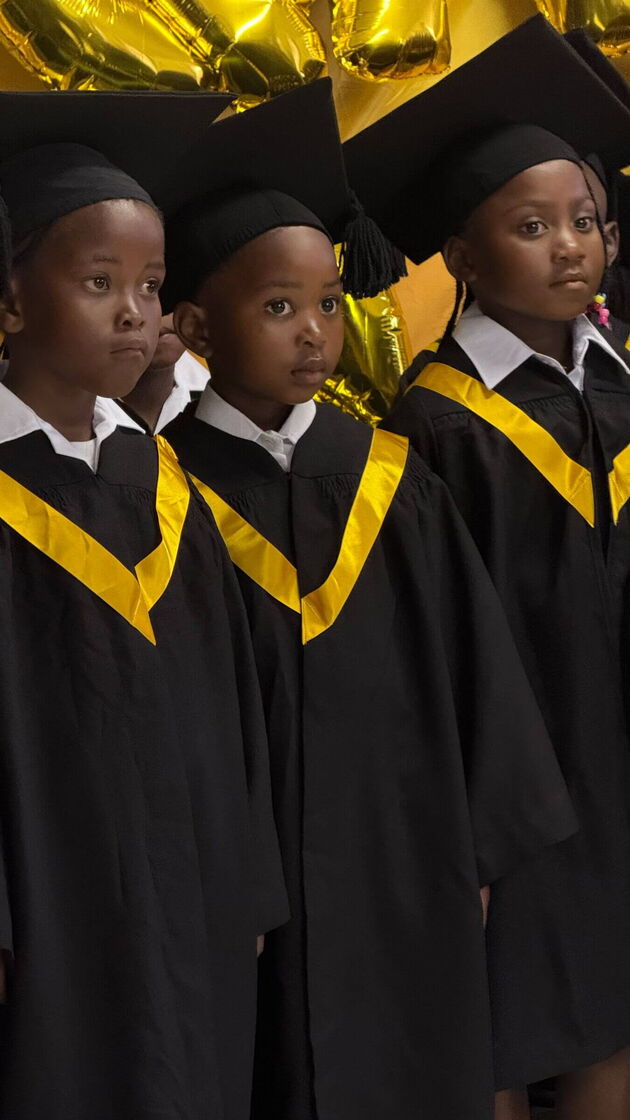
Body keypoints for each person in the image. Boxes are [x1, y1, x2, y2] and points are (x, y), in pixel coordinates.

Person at [160, 78, 577, 1120]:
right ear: (199, 328)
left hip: (408, 856)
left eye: (328, 305)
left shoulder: (388, 475)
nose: (314, 333)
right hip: (251, 888)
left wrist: (480, 844)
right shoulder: (166, 491)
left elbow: (476, 667)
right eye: (278, 309)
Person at [345, 16, 630, 1119]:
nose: (571, 246)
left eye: (586, 222)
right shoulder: (437, 419)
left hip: (614, 760)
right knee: (502, 1011)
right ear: (461, 253)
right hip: (506, 779)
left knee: (611, 995)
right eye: (531, 225)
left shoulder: (616, 389)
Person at [0, 92, 287, 1120]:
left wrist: (249, 876)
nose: (135, 311)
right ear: (11, 301)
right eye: (99, 282)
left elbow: (233, 704)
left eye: (152, 286)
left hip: (194, 888)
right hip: (50, 911)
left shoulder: (158, 482)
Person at [103, 311, 209, 434]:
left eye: (174, 292)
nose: (163, 308)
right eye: (151, 291)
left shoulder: (220, 401)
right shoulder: (81, 418)